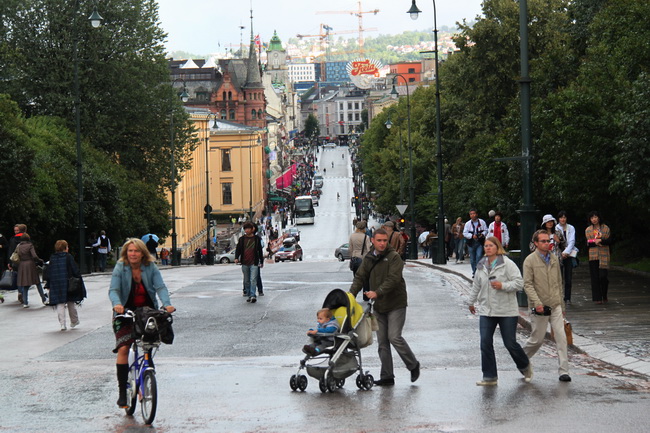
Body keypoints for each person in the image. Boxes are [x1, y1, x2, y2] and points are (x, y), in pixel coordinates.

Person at [349, 228, 420, 386]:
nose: (382, 243)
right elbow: (360, 277)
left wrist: (377, 292)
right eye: (379, 240)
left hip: (396, 303)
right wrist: (350, 296)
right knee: (382, 342)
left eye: (384, 241)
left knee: (394, 337)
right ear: (372, 241)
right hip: (379, 305)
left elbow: (393, 279)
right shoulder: (369, 258)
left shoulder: (394, 257)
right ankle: (387, 376)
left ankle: (413, 364)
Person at [109, 238, 175, 407]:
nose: (133, 254)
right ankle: (122, 392)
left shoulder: (150, 267)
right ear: (126, 253)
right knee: (124, 347)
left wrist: (166, 304)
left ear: (142, 253)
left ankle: (147, 378)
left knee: (148, 346)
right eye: (130, 251)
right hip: (124, 312)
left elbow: (160, 287)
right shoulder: (120, 266)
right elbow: (114, 290)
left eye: (136, 251)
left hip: (146, 312)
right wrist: (117, 304)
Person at [468, 237, 532, 386]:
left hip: (506, 310)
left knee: (510, 343)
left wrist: (502, 285)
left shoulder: (508, 264)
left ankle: (525, 366)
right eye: (486, 246)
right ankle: (489, 377)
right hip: (487, 310)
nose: (488, 248)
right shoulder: (481, 265)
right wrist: (471, 302)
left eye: (491, 245)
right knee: (485, 342)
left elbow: (519, 283)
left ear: (497, 247)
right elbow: (476, 285)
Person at [522, 230, 571, 382]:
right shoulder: (529, 261)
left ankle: (564, 371)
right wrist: (537, 303)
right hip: (539, 306)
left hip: (555, 304)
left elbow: (559, 282)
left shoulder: (555, 259)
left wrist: (562, 306)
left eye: (548, 240)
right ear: (536, 243)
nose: (546, 243)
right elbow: (528, 285)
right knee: (537, 339)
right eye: (542, 241)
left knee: (561, 337)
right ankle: (521, 358)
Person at [44, 240, 84, 331]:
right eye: (67, 247)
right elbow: (74, 269)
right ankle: (74, 321)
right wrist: (78, 278)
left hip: (56, 283)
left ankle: (62, 324)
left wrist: (49, 283)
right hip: (68, 282)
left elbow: (49, 271)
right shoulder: (68, 257)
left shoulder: (52, 258)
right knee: (71, 302)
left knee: (60, 303)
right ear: (65, 248)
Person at [585, 211, 611, 304]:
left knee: (603, 276)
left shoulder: (606, 228)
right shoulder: (588, 230)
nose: (594, 219)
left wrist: (601, 241)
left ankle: (604, 294)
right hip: (593, 255)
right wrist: (594, 242)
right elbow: (588, 243)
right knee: (595, 277)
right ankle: (597, 298)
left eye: (595, 217)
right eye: (592, 218)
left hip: (604, 255)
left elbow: (609, 241)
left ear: (599, 218)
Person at [234, 222, 264, 303]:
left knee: (253, 279)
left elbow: (260, 251)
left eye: (248, 229)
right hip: (244, 262)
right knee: (246, 280)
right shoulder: (242, 239)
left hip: (254, 262)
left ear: (252, 229)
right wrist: (236, 258)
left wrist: (261, 261)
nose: (246, 230)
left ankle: (253, 295)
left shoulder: (257, 239)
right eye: (245, 229)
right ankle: (248, 294)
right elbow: (238, 249)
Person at [16, 234, 47, 307]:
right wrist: (40, 260)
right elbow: (34, 256)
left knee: (25, 284)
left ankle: (25, 302)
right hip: (30, 264)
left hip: (22, 265)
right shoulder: (30, 245)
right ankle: (44, 299)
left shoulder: (19, 246)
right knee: (37, 282)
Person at [557, 211, 578, 304]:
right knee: (558, 277)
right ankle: (559, 297)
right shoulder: (556, 228)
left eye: (564, 217)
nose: (563, 219)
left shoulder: (571, 228)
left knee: (568, 277)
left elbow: (572, 241)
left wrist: (566, 252)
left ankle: (567, 297)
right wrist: (561, 253)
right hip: (558, 255)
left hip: (568, 255)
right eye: (561, 217)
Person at [463, 210, 488, 276]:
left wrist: (482, 234)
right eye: (471, 214)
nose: (473, 215)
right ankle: (474, 271)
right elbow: (465, 233)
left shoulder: (482, 222)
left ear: (476, 214)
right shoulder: (468, 224)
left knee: (479, 256)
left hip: (479, 242)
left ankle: (478, 271)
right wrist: (471, 236)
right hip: (471, 243)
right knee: (472, 258)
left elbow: (486, 230)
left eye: (474, 213)